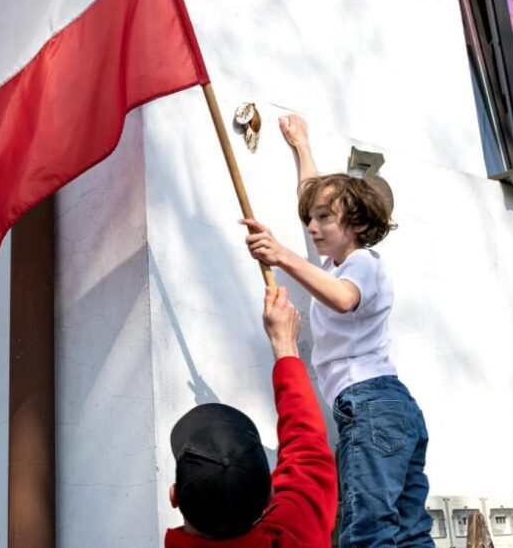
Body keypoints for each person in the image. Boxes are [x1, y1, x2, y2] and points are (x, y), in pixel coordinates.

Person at [241, 114, 434, 548]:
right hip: (387, 408)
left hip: (371, 408)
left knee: (365, 532)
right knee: (407, 531)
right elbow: (313, 196)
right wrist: (302, 147)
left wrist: (282, 256)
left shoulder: (363, 262)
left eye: (323, 219)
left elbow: (342, 298)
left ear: (359, 226)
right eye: (309, 218)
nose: (312, 227)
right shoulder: (332, 263)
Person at [165, 285, 338, 547]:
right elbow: (307, 447)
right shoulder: (298, 531)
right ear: (270, 494)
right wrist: (285, 345)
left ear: (174, 496)